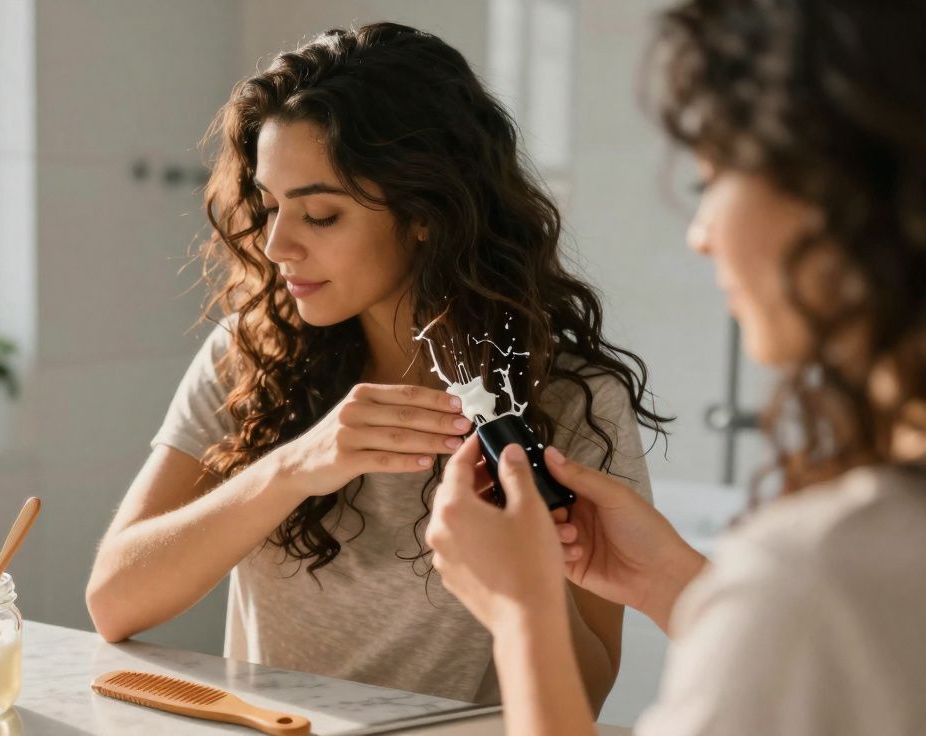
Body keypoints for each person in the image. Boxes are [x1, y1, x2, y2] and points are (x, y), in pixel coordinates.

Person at [87, 22, 668, 707]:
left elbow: (588, 691)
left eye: (321, 215)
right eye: (270, 207)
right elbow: (114, 601)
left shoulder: (570, 401)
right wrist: (294, 467)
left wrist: (522, 570)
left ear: (426, 212)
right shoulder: (249, 354)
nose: (276, 245)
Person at [426, 0, 926, 732]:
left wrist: (520, 613)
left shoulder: (821, 574)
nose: (700, 235)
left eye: (711, 181)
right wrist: (674, 582)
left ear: (835, 194)